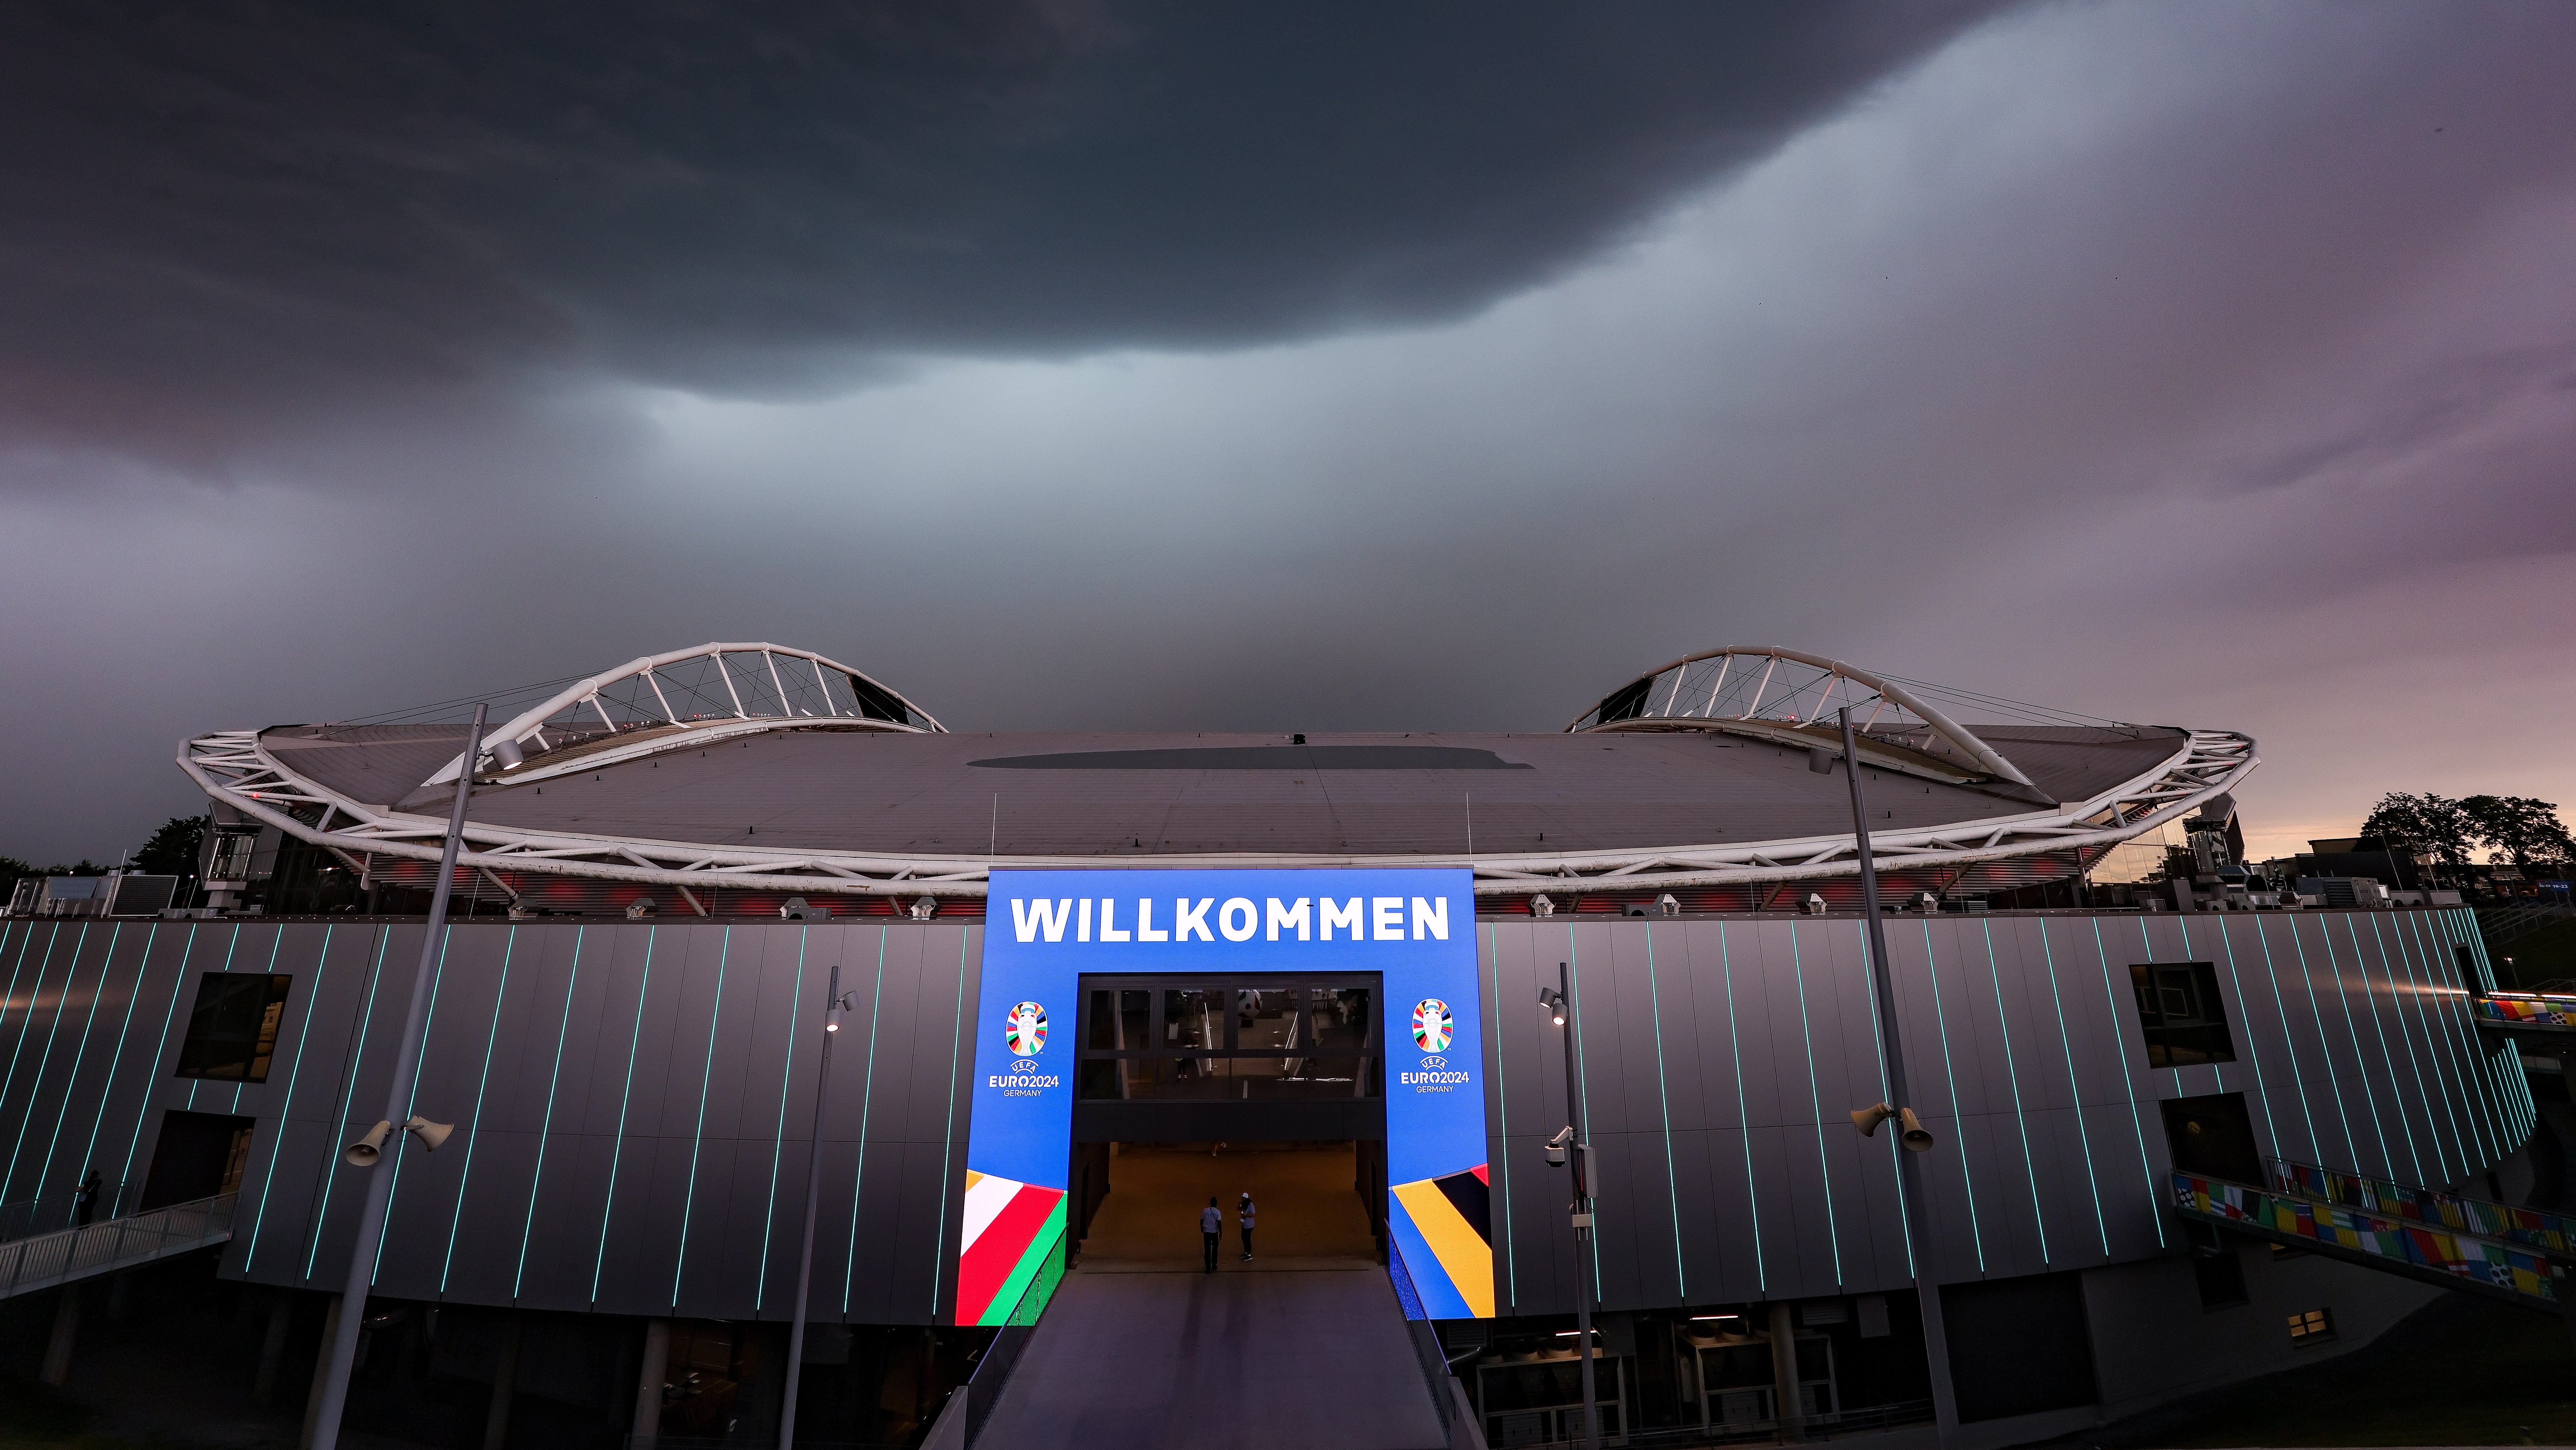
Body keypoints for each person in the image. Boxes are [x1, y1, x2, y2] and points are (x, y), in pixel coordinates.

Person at [1200, 1197, 1222, 1272]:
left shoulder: (1205, 1211)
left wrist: (1202, 1228)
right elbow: (1219, 1223)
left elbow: (1202, 1220)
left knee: (1207, 1250)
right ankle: (1214, 1263)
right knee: (1215, 1248)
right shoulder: (1218, 1212)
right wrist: (1221, 1233)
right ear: (1216, 1204)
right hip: (1214, 1233)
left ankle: (1208, 1267)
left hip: (1207, 1233)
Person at [1238, 1191, 1256, 1261]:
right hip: (1244, 1225)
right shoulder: (1243, 1204)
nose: (1242, 1199)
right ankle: (1246, 1252)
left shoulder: (1251, 1205)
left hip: (1249, 1226)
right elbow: (1239, 1210)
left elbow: (1254, 1214)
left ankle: (1249, 1254)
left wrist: (1246, 1215)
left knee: (1248, 1240)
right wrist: (1239, 1205)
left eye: (1243, 1198)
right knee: (1243, 1237)